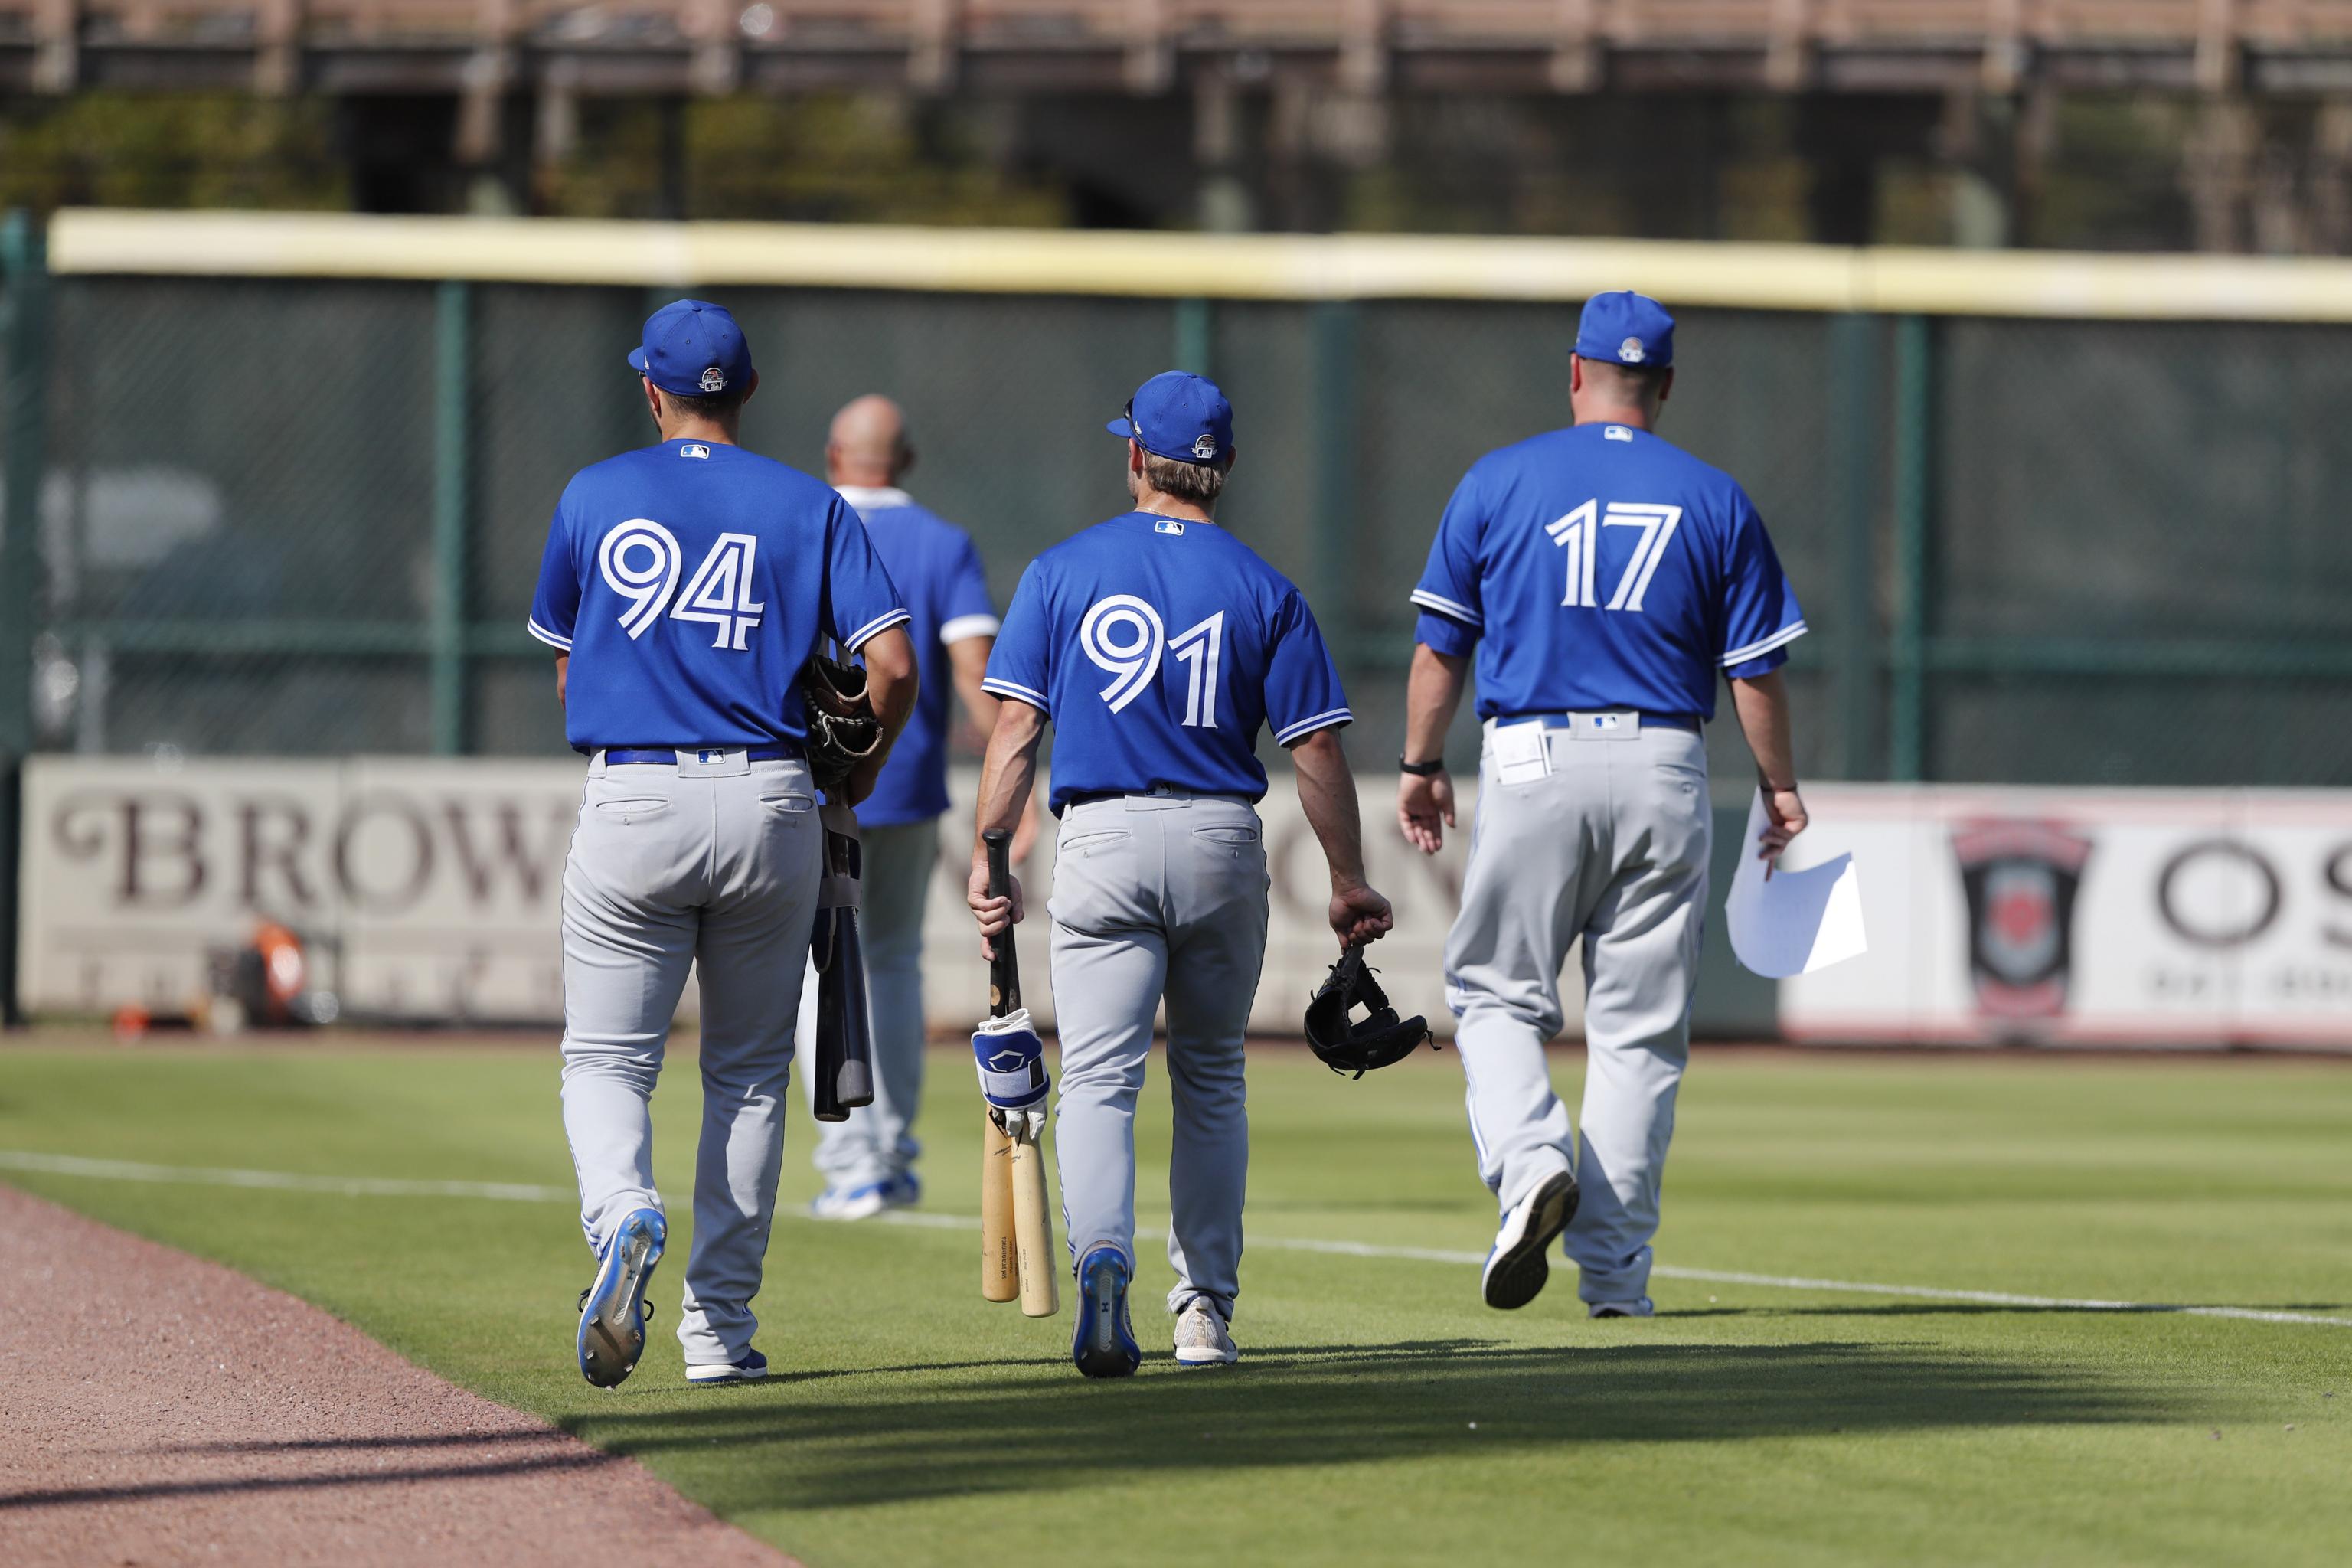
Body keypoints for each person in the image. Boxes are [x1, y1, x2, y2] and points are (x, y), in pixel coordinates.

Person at [967, 371, 1394, 1379]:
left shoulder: (1064, 569)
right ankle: (1202, 1313)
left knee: (1102, 1084)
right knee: (1211, 1083)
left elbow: (1017, 730)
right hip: (1216, 836)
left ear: (1133, 457)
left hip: (1105, 836)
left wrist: (991, 854)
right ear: (1226, 470)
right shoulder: (1264, 586)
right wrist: (1347, 879)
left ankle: (1102, 1258)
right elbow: (1317, 752)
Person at [1396, 292, 1809, 1319]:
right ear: (1665, 385)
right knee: (1638, 1035)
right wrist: (1781, 786)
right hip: (1668, 760)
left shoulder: (1499, 479)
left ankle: (1532, 1160)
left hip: (1534, 754)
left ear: (1574, 372)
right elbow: (1753, 672)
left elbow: (1442, 644)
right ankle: (1617, 1282)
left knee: (1495, 994)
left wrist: (1418, 761)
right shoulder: (1715, 498)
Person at [528, 299, 917, 1387]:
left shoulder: (594, 493)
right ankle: (719, 1338)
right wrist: (859, 773)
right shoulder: (812, 502)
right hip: (772, 800)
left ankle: (623, 1218)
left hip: (637, 791)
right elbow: (889, 668)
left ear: (652, 390)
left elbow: (566, 666)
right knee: (747, 1076)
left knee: (607, 1059)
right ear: (744, 393)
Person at [799, 394, 1031, 1221]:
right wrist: (1016, 784)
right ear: (908, 460)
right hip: (905, 777)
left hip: (817, 780)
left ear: (834, 453)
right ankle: (892, 1153)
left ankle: (850, 1159)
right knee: (894, 961)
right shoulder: (942, 541)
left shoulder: (802, 518)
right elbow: (976, 673)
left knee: (821, 962)